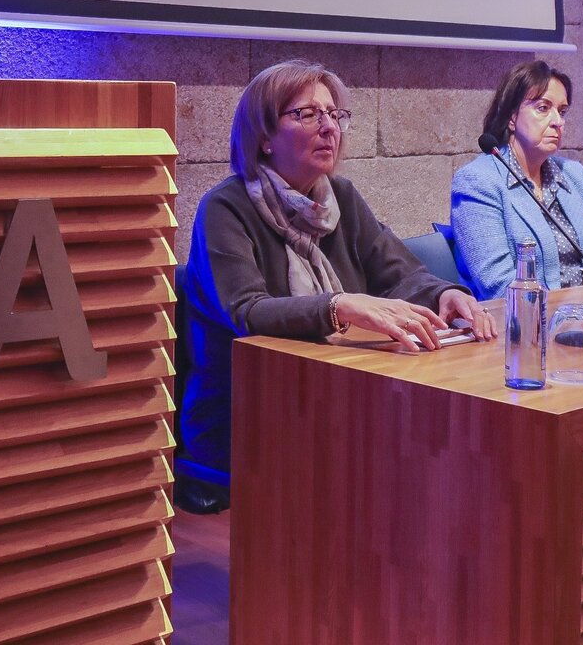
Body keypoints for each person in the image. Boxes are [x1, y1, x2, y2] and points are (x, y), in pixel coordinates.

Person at [180, 60, 493, 509]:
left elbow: (400, 273)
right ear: (263, 137)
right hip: (246, 414)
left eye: (335, 115)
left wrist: (446, 294)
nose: (330, 128)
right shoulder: (224, 209)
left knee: (454, 439)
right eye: (308, 114)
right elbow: (247, 311)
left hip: (337, 396)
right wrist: (339, 306)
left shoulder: (339, 196)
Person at [450, 61, 583, 298]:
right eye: (543, 108)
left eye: (562, 111)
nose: (557, 121)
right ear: (511, 117)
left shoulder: (573, 174)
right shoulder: (478, 181)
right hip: (522, 324)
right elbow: (498, 285)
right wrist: (568, 317)